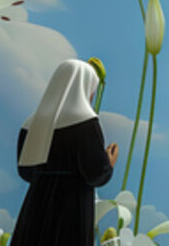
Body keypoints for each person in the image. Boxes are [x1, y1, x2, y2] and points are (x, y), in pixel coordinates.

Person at [10, 59, 116, 245]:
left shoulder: (31, 123)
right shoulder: (86, 121)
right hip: (72, 205)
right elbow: (95, 174)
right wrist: (109, 162)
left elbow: (25, 172)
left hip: (36, 204)